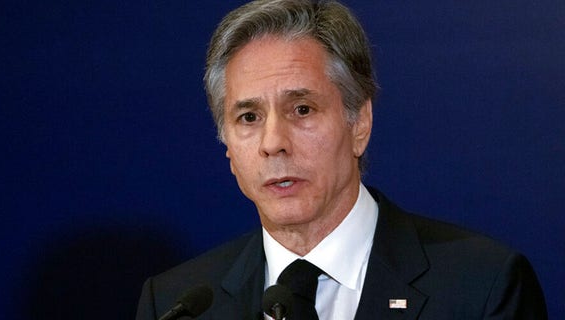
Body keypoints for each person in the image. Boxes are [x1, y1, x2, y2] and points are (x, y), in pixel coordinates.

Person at [135, 0, 547, 319]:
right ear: (228, 149)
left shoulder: (482, 287)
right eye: (248, 117)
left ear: (359, 123)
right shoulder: (176, 305)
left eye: (302, 110)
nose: (273, 142)